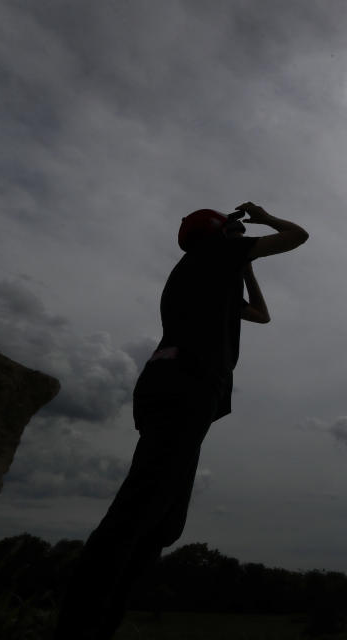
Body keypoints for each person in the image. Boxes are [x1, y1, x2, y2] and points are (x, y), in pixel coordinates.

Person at [54, 202, 308, 640]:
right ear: (219, 234)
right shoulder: (213, 255)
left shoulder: (209, 270)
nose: (236, 235)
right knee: (139, 510)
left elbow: (261, 315)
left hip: (175, 387)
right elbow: (298, 236)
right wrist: (263, 217)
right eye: (231, 230)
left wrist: (245, 265)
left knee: (164, 522)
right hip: (185, 386)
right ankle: (77, 627)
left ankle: (99, 623)